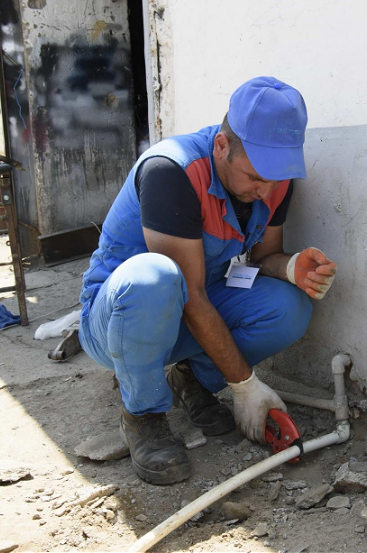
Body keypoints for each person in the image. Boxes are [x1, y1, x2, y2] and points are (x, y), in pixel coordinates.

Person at [78, 77, 338, 485]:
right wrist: (244, 385)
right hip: (119, 321)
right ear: (221, 146)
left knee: (289, 307)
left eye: (275, 179)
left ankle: (192, 380)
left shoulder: (273, 182)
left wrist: (290, 268)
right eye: (255, 177)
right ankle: (143, 414)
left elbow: (262, 257)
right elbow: (189, 294)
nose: (265, 191)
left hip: (195, 301)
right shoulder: (171, 171)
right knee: (154, 278)